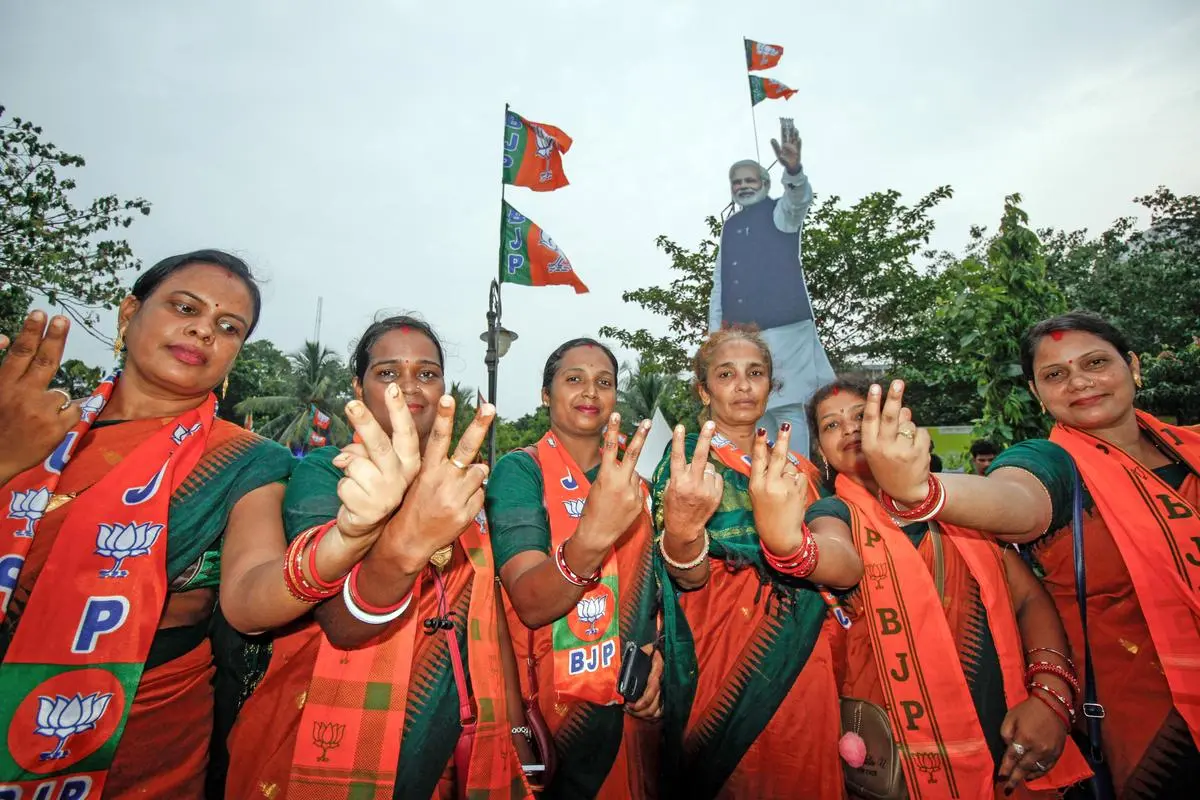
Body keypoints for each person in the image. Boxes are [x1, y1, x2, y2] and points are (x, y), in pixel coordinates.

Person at [0, 251, 386, 798]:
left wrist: (347, 538)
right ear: (129, 312)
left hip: (144, 735)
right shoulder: (29, 422)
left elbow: (250, 597)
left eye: (229, 327)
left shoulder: (245, 459)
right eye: (185, 307)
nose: (204, 329)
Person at [861, 312, 1200, 799]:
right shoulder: (1051, 463)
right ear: (1039, 395)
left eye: (1096, 362)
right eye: (1055, 375)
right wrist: (922, 491)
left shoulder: (1192, 450)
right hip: (1149, 731)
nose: (1079, 381)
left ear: (1134, 366)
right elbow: (1016, 501)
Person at [227, 316, 531, 799]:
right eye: (387, 373)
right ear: (358, 386)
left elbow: (485, 616)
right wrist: (404, 542)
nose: (409, 386)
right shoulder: (330, 475)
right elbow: (339, 623)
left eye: (427, 373)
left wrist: (517, 731)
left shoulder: (462, 487)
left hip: (456, 730)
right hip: (339, 724)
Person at [807, 375, 1090, 799]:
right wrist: (795, 549)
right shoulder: (831, 515)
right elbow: (832, 555)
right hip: (897, 757)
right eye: (831, 425)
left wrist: (1050, 698)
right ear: (821, 454)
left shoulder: (958, 502)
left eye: (861, 416)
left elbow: (1029, 598)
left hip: (1008, 734)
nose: (848, 429)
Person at [651, 327, 862, 799]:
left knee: (808, 772)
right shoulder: (686, 467)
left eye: (755, 373)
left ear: (770, 386)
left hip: (804, 652)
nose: (743, 386)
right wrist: (685, 535)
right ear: (705, 390)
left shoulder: (799, 469)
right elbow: (682, 572)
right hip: (721, 654)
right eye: (726, 375)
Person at [485, 338, 661, 800]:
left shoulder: (634, 485)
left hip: (629, 695)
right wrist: (592, 537)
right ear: (546, 394)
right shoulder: (520, 472)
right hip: (547, 697)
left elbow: (653, 592)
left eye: (604, 382)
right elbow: (529, 601)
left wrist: (658, 653)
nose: (590, 392)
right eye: (574, 379)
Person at [707, 117, 834, 454]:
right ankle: (767, 488)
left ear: (765, 182)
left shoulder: (779, 211)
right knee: (756, 410)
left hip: (786, 330)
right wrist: (714, 337)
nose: (743, 186)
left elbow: (797, 203)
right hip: (744, 338)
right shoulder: (730, 227)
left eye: (750, 180)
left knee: (790, 407)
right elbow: (720, 285)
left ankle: (801, 485)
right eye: (737, 182)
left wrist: (794, 171)